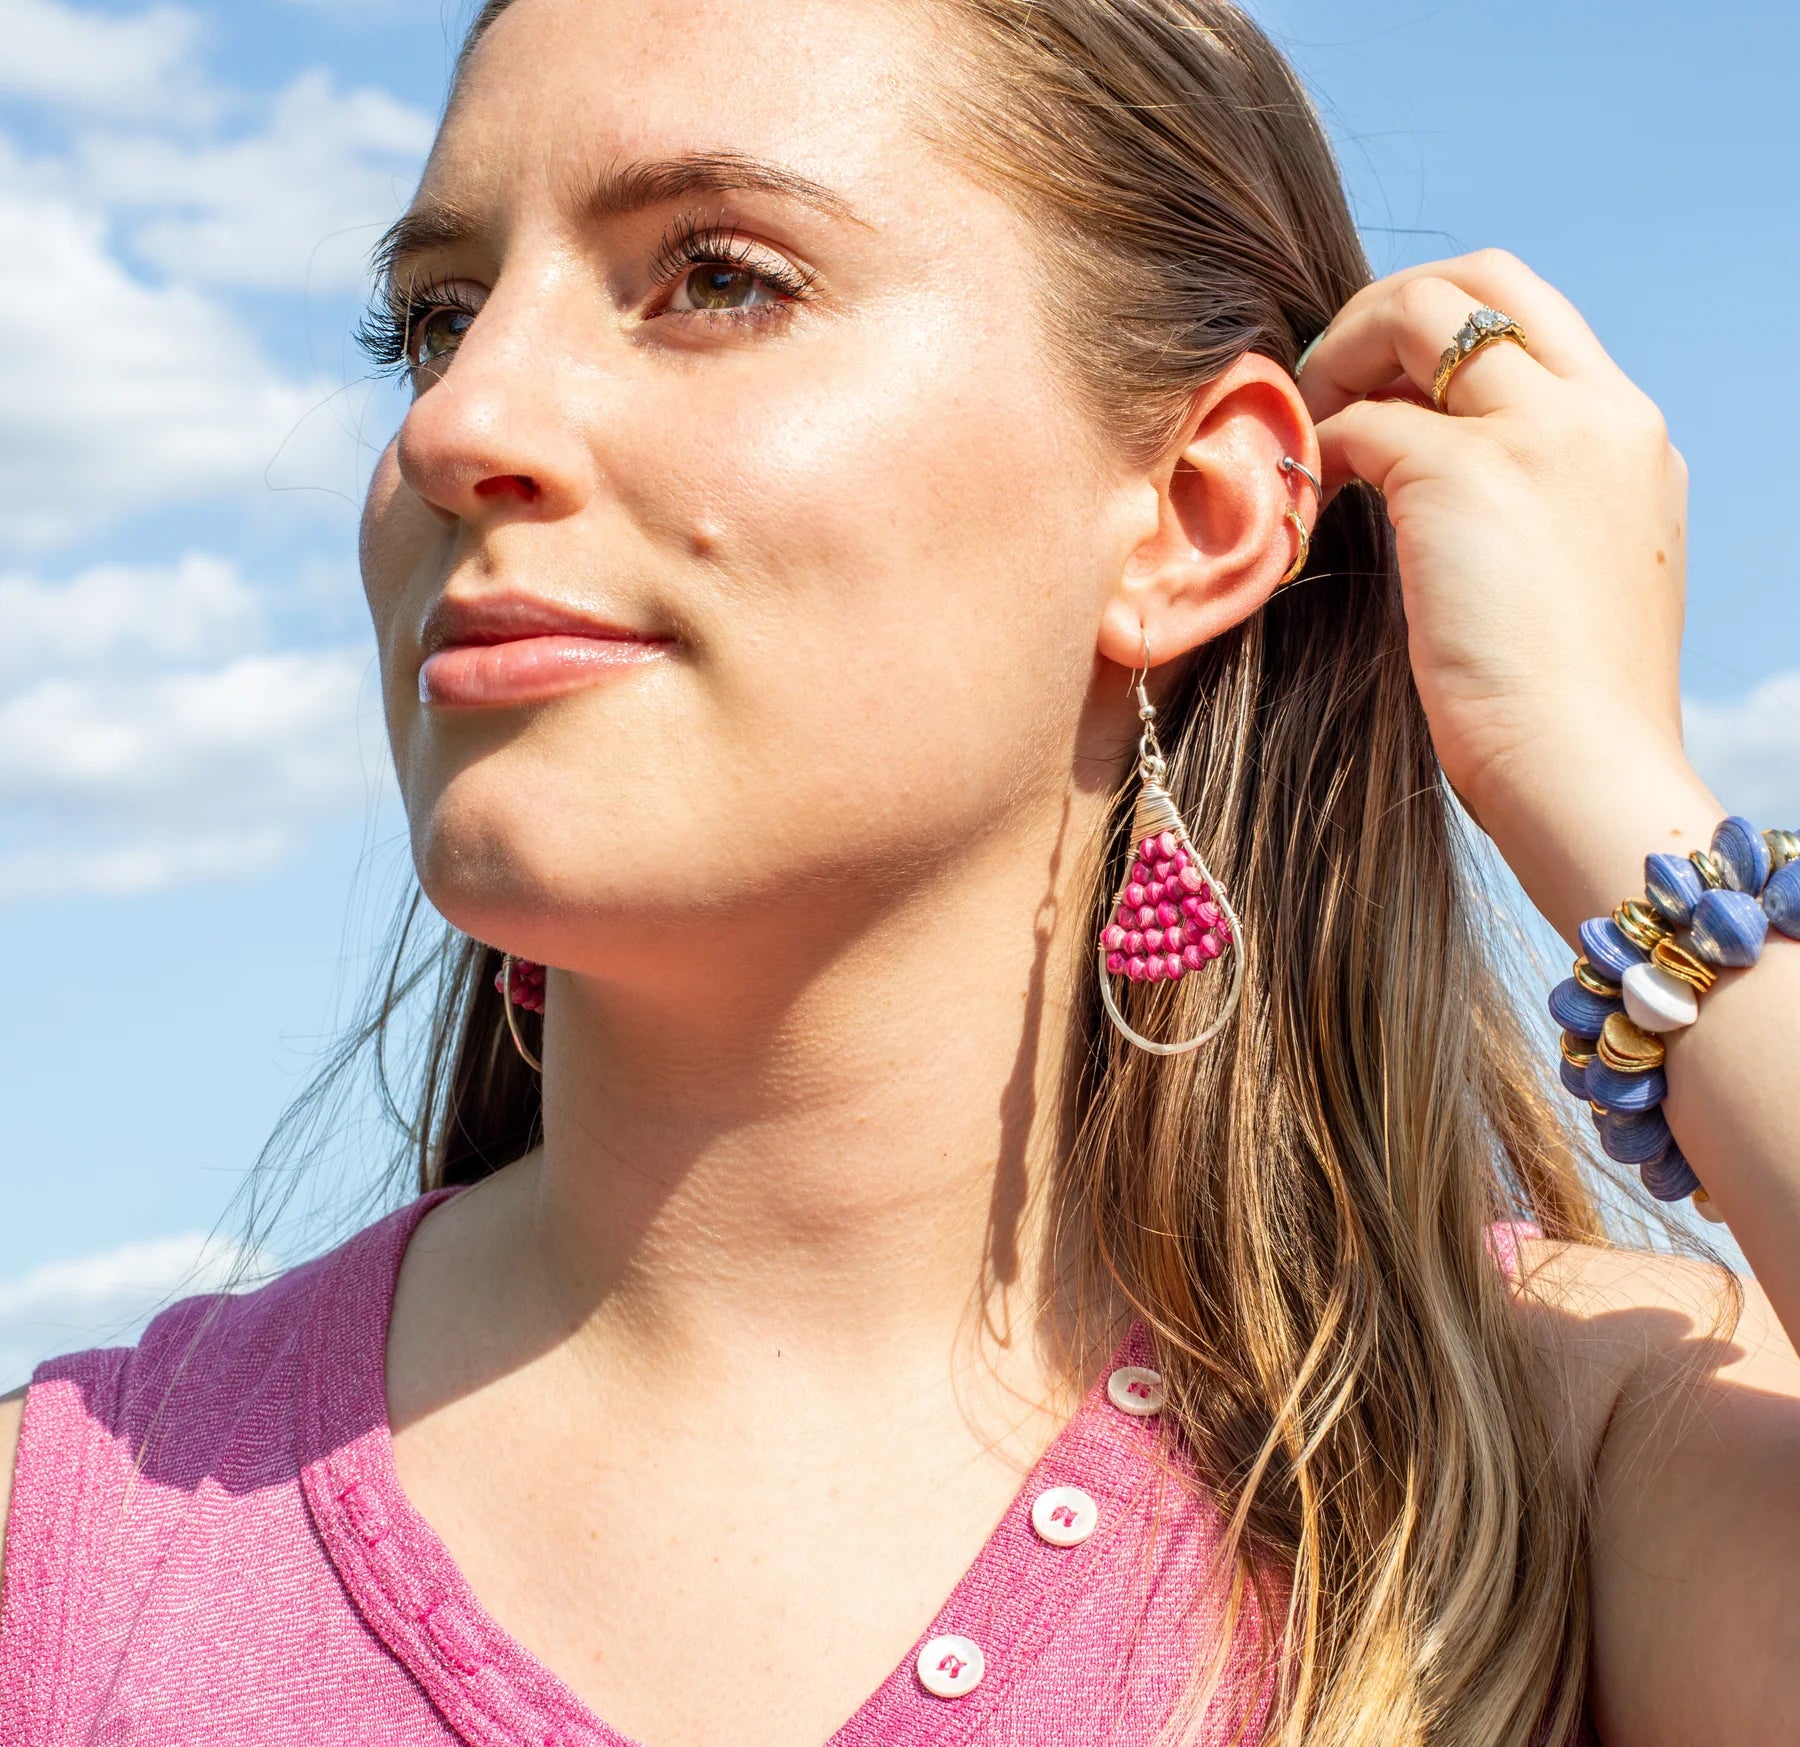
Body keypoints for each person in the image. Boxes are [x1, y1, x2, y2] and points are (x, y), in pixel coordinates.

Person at [2, 1, 1795, 1742]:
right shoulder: (55, 1546)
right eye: (437, 317)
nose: (453, 427)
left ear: (1194, 519)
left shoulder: (1590, 1468)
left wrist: (1598, 779)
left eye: (719, 277)